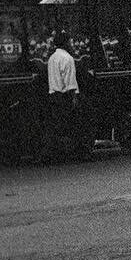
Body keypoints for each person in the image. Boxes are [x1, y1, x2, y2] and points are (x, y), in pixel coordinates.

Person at [44, 30, 87, 162]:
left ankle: (57, 153)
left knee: (57, 125)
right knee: (72, 125)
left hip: (53, 94)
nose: (71, 44)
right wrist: (74, 97)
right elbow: (69, 81)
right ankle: (74, 153)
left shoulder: (52, 58)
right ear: (65, 43)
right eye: (70, 41)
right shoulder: (67, 58)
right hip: (65, 96)